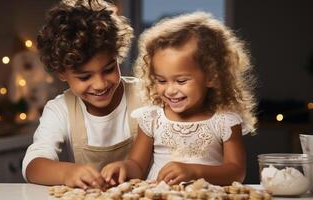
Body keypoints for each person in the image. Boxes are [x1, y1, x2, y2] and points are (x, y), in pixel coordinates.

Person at [101, 11, 257, 186]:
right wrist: (124, 167)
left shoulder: (224, 121)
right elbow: (137, 165)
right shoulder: (152, 119)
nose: (170, 90)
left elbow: (236, 172)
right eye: (161, 80)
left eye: (181, 81)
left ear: (212, 76)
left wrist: (194, 172)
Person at [22, 0, 142, 190]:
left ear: (118, 55)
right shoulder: (59, 110)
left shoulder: (144, 95)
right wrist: (67, 172)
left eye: (109, 69)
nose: (100, 84)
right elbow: (33, 166)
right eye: (85, 76)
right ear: (61, 72)